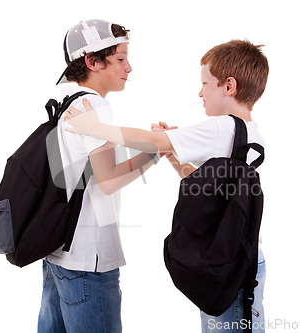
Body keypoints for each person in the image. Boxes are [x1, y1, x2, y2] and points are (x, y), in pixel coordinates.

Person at [65, 39, 269, 333]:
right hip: (244, 258)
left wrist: (92, 127)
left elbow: (151, 142)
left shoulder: (220, 127)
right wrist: (175, 153)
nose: (200, 92)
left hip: (227, 263)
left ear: (229, 86)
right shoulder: (250, 133)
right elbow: (206, 188)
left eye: (205, 83)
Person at [37, 19, 159, 333]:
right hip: (88, 259)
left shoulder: (63, 100)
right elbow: (109, 180)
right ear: (92, 61)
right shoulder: (94, 105)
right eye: (120, 59)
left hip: (56, 250)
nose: (128, 68)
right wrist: (155, 153)